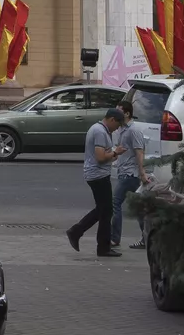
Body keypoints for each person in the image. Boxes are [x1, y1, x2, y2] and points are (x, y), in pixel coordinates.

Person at [66, 106, 125, 257]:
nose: (117, 129)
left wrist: (113, 154)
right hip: (98, 175)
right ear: (112, 120)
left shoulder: (100, 130)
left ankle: (83, 235)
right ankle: (80, 233)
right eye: (117, 125)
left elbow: (103, 154)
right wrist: (115, 152)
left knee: (104, 210)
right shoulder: (100, 132)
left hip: (98, 174)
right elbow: (100, 157)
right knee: (105, 210)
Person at [112, 101, 152, 249]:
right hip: (124, 172)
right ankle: (147, 239)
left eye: (119, 111)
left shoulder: (133, 130)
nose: (116, 114)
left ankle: (114, 238)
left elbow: (139, 152)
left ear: (127, 113)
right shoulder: (121, 129)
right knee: (138, 207)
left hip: (131, 174)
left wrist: (142, 173)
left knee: (115, 203)